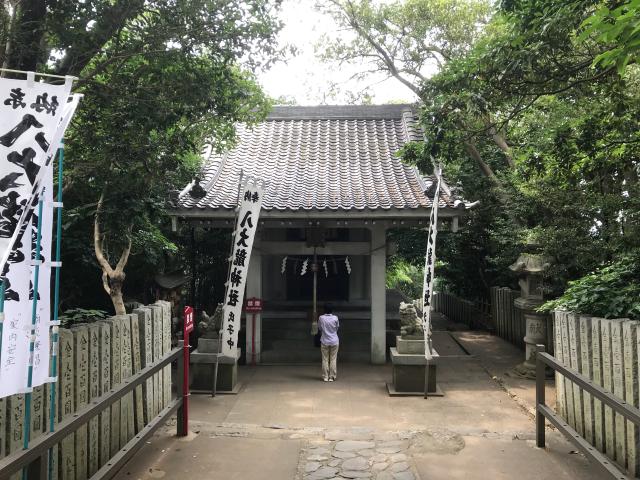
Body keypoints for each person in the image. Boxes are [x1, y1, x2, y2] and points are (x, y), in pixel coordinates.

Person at [318, 304, 339, 382]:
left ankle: (325, 377)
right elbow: (337, 328)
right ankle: (332, 376)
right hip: (334, 340)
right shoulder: (335, 318)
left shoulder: (321, 318)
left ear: (324, 310)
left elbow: (319, 328)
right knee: (333, 359)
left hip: (324, 340)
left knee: (325, 359)